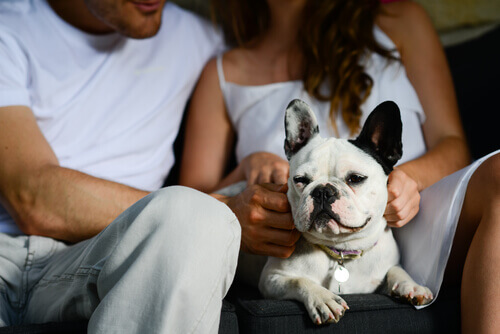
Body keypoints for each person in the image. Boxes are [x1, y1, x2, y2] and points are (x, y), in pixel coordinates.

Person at [180, 0, 500, 333]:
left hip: (417, 215)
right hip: (302, 238)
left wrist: (409, 179)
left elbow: (453, 144)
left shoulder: (399, 20)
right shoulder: (222, 70)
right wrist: (247, 167)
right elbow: (187, 205)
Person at [0, 0, 299, 332]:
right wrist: (226, 208)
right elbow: (33, 196)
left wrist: (252, 163)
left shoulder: (195, 37)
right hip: (6, 257)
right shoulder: (9, 29)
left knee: (196, 221)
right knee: (198, 214)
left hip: (114, 254)